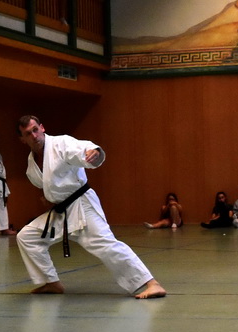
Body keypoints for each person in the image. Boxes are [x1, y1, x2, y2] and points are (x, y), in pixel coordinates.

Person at [15, 115, 165, 299]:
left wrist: (94, 152)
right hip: (62, 212)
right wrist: (50, 196)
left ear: (42, 128)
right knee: (27, 236)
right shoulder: (32, 162)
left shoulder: (61, 143)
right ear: (23, 139)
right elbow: (49, 183)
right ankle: (50, 282)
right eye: (28, 134)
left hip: (82, 205)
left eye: (35, 129)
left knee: (106, 244)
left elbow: (83, 149)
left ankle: (150, 283)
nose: (34, 135)